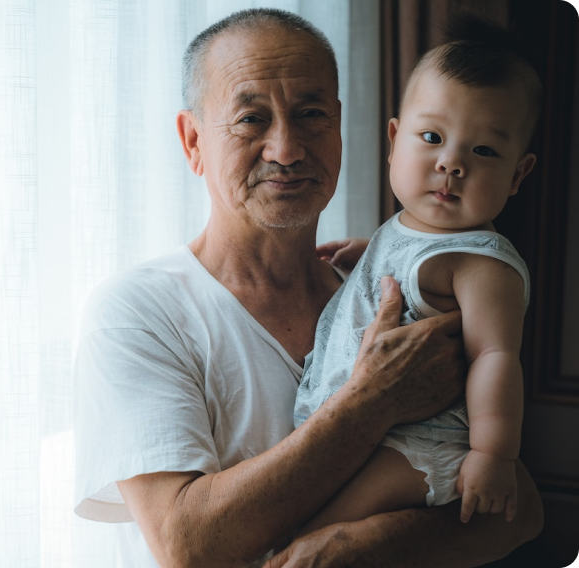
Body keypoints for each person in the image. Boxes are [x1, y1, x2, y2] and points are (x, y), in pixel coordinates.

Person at [73, 8, 543, 568]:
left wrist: (349, 548)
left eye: (312, 114)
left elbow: (519, 511)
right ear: (193, 140)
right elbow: (187, 544)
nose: (287, 148)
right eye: (251, 119)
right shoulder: (139, 311)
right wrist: (374, 400)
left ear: (340, 126)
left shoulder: (391, 288)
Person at [293, 17, 541, 539]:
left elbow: (496, 357)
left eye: (484, 151)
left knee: (309, 537)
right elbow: (416, 264)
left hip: (414, 449)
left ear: (518, 174)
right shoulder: (414, 226)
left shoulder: (483, 263)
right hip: (369, 432)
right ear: (393, 139)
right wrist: (370, 254)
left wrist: (493, 454)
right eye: (432, 137)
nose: (451, 164)